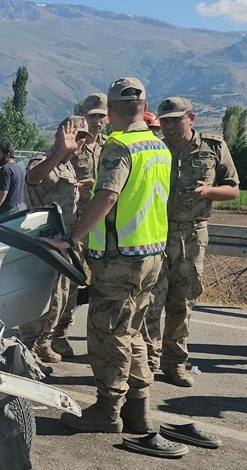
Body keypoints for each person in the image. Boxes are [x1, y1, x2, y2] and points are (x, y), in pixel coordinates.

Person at [44, 78, 174, 449]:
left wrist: (72, 238)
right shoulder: (158, 146)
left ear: (113, 110)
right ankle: (139, 408)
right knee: (133, 333)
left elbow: (108, 196)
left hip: (120, 259)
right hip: (151, 254)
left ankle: (107, 410)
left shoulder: (119, 146)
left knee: (108, 333)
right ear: (143, 104)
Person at [144, 96, 239, 387]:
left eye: (176, 119)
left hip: (191, 234)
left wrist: (209, 191)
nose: (170, 126)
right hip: (156, 232)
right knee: (151, 300)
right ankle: (148, 360)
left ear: (191, 118)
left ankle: (174, 364)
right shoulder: (154, 147)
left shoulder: (213, 147)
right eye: (165, 121)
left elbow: (233, 190)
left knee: (181, 303)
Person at [17, 117, 89, 363]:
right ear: (60, 134)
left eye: (82, 138)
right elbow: (33, 178)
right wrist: (59, 153)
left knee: (58, 299)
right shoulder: (44, 159)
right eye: (75, 135)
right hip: (43, 242)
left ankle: (41, 343)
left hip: (64, 241)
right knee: (40, 300)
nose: (78, 142)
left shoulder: (69, 165)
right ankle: (25, 349)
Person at [48, 93, 107, 358]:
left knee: (104, 284)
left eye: (101, 116)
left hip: (102, 224)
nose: (97, 121)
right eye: (92, 115)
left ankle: (101, 335)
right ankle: (59, 334)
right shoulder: (74, 145)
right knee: (71, 284)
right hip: (75, 225)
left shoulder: (112, 147)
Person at [0, 142, 26, 218]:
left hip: (6, 214)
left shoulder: (5, 170)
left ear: (7, 155)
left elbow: (3, 192)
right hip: (19, 209)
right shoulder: (19, 168)